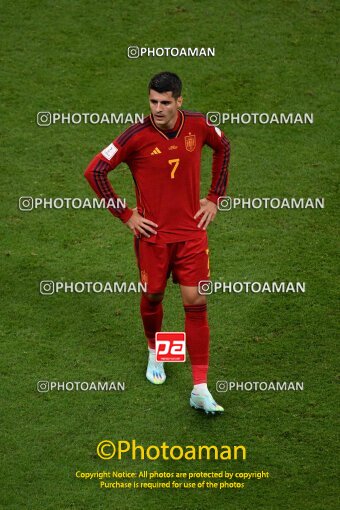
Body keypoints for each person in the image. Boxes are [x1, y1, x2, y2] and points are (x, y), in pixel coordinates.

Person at [84, 72, 230, 414]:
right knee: (153, 296)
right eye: (153, 101)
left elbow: (223, 146)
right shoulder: (136, 135)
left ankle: (200, 388)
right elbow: (95, 171)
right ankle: (156, 351)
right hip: (153, 237)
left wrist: (214, 197)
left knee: (196, 302)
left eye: (165, 102)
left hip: (192, 234)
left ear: (179, 101)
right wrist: (126, 215)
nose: (158, 109)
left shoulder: (199, 125)